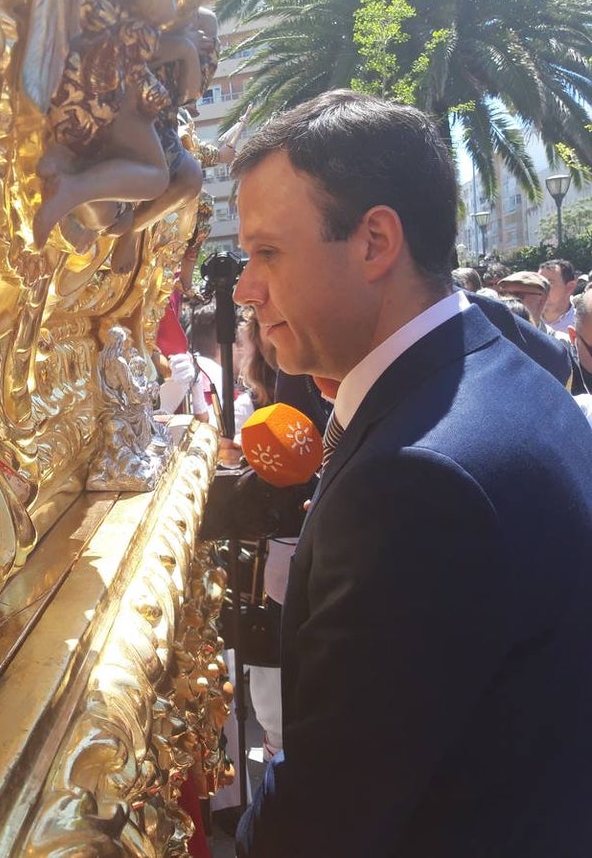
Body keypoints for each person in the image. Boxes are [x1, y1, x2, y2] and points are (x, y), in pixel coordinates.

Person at [228, 89, 592, 858]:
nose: (243, 289)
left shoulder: (417, 484)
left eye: (267, 252)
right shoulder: (505, 371)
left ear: (374, 241)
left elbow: (322, 822)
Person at [540, 258, 578, 333]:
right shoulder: (526, 321)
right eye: (538, 282)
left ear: (570, 287)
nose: (540, 289)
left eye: (548, 283)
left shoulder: (583, 323)